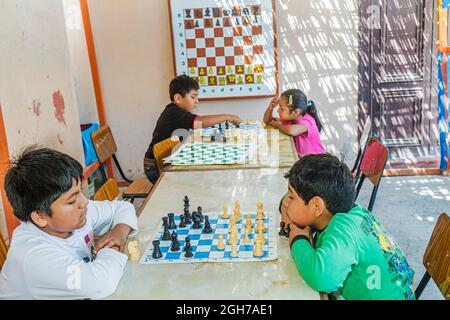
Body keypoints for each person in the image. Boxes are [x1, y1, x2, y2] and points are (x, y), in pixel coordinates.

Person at [0, 147, 138, 299]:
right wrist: (111, 247)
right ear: (40, 216)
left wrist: (119, 231)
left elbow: (122, 207)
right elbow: (101, 283)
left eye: (80, 191)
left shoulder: (72, 215)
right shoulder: (35, 257)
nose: (85, 202)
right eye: (72, 200)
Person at [280, 153, 415, 300]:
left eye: (291, 196)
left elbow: (321, 278)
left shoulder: (343, 230)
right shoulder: (345, 211)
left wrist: (298, 237)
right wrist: (286, 207)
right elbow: (293, 203)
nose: (287, 202)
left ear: (317, 207)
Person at [144, 75, 242, 183]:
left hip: (165, 160)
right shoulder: (174, 113)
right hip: (156, 167)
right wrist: (228, 116)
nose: (197, 101)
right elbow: (200, 122)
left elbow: (197, 126)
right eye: (193, 97)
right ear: (178, 98)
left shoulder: (176, 111)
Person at [263, 89, 325, 156]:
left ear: (296, 112)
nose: (278, 110)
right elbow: (267, 121)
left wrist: (278, 126)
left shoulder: (307, 122)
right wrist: (271, 107)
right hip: (302, 159)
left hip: (316, 162)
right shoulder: (291, 119)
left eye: (281, 108)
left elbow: (291, 131)